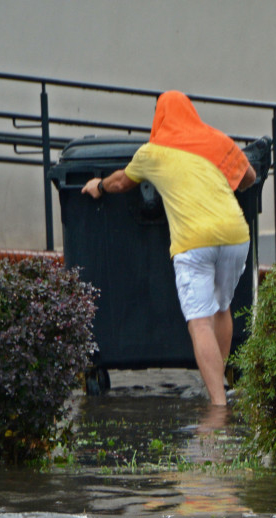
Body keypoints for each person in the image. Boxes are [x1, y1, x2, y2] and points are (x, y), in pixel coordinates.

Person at [81, 91, 256, 406]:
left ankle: (218, 405)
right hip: (235, 235)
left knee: (199, 321)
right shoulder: (217, 140)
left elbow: (121, 182)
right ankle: (221, 385)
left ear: (159, 117)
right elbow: (250, 178)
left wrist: (100, 185)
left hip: (194, 242)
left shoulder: (153, 151)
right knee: (221, 308)